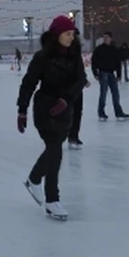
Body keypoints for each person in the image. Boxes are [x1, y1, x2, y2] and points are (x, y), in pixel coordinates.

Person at [17, 16, 87, 220]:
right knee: (55, 150)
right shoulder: (42, 57)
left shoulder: (74, 56)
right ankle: (52, 201)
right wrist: (22, 110)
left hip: (65, 109)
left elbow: (81, 79)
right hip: (45, 107)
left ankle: (34, 178)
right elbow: (28, 83)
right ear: (57, 35)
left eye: (72, 34)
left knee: (54, 148)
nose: (70, 37)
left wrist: (67, 99)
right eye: (67, 34)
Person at [91, 31, 129, 121]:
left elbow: (118, 63)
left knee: (115, 94)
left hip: (111, 73)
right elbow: (94, 61)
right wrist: (95, 73)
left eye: (107, 37)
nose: (105, 39)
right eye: (104, 37)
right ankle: (101, 113)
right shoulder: (99, 49)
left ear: (110, 38)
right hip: (102, 73)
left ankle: (118, 112)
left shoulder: (114, 49)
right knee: (103, 94)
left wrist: (119, 75)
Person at [66, 29, 91, 150]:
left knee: (77, 112)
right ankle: (70, 136)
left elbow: (79, 68)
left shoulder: (76, 50)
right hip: (69, 85)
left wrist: (84, 80)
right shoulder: (68, 50)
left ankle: (73, 136)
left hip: (76, 85)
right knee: (71, 112)